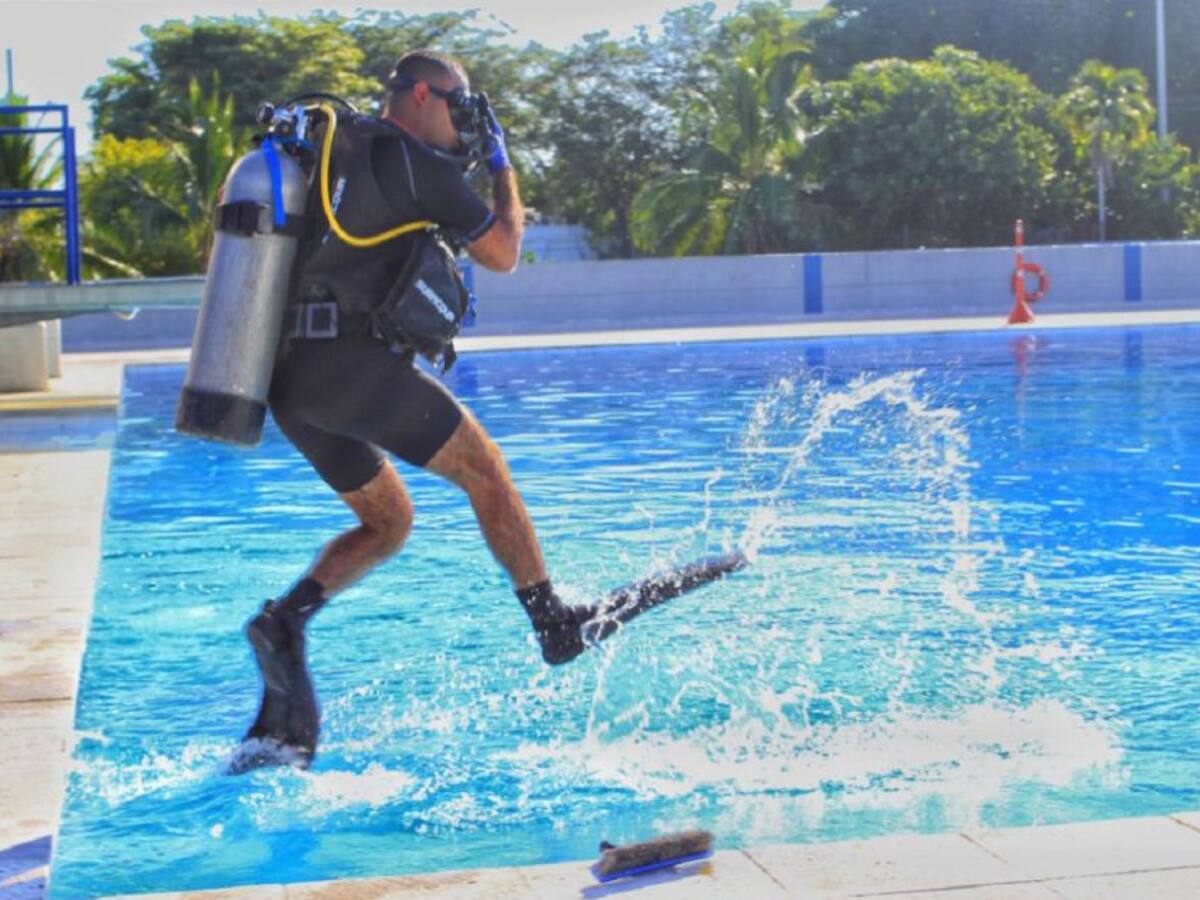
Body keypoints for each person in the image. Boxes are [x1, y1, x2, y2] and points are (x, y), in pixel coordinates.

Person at [234, 49, 592, 771]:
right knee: (486, 472)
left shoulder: (333, 151)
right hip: (349, 369)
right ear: (421, 94)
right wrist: (500, 161)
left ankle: (286, 620)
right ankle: (552, 621)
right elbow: (503, 252)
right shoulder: (412, 165)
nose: (464, 124)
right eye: (459, 107)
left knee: (389, 521)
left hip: (290, 381)